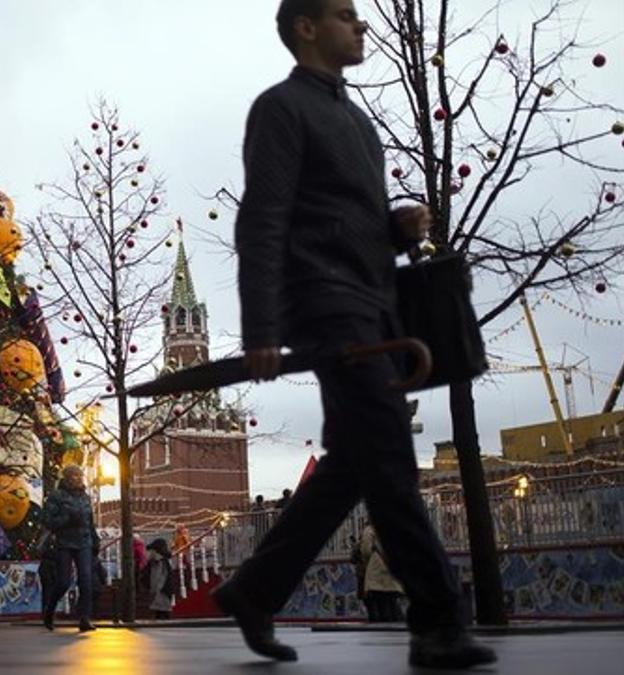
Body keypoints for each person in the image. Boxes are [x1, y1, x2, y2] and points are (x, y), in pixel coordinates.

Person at [210, 0, 496, 669]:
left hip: (374, 309)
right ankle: (437, 620)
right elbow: (263, 219)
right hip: (331, 311)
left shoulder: (356, 122)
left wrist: (394, 229)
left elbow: (343, 222)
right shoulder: (280, 108)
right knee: (391, 459)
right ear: (306, 28)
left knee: (351, 468)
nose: (361, 24)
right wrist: (263, 327)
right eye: (346, 14)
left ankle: (254, 589)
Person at [39, 465, 99, 633]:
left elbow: (90, 521)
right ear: (66, 478)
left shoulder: (85, 497)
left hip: (84, 542)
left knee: (86, 580)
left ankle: (85, 618)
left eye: (80, 475)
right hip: (65, 542)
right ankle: (49, 610)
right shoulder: (57, 496)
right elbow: (47, 521)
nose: (78, 478)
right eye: (74, 475)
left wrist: (95, 539)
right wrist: (67, 519)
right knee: (63, 582)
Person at [361, 523, 404, 622]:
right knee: (392, 601)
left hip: (377, 568)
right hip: (392, 567)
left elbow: (365, 550)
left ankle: (383, 625)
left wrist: (369, 560)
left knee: (380, 601)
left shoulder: (370, 530)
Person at [143, 538, 175, 620]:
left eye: (152, 550)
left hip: (161, 592)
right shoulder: (162, 562)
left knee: (161, 613)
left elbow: (157, 578)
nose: (149, 553)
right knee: (162, 613)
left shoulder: (158, 562)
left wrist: (154, 590)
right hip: (163, 591)